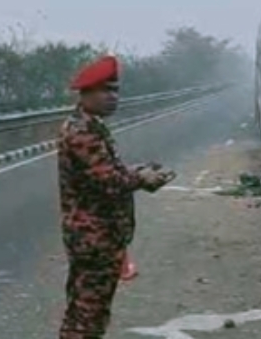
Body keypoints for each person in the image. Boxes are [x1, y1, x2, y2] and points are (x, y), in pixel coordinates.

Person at [57, 55, 175, 339]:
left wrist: (138, 171)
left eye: (115, 90)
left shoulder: (92, 126)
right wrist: (143, 178)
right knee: (87, 315)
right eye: (105, 90)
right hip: (93, 238)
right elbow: (108, 181)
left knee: (88, 311)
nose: (113, 97)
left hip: (100, 236)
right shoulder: (82, 132)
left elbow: (106, 172)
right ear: (86, 93)